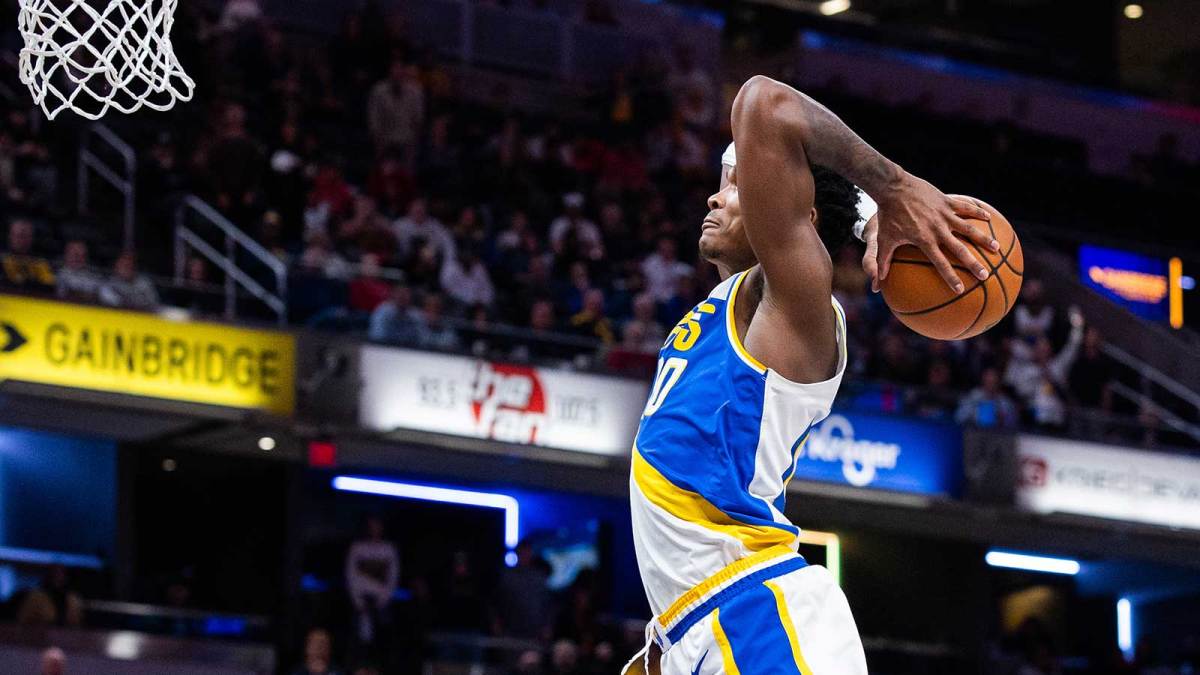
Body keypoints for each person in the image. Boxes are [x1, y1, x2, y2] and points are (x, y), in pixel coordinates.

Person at [623, 76, 995, 675]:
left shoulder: (797, 306)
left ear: (797, 212)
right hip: (705, 624)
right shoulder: (727, 308)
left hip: (758, 615)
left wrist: (890, 193)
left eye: (738, 185)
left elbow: (764, 103)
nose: (716, 199)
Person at [345, 516, 400, 656]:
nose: (375, 529)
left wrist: (383, 600)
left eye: (378, 525)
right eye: (372, 525)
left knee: (382, 644)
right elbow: (351, 575)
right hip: (360, 602)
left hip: (381, 602)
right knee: (358, 642)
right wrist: (357, 601)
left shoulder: (389, 549)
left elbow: (393, 577)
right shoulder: (357, 547)